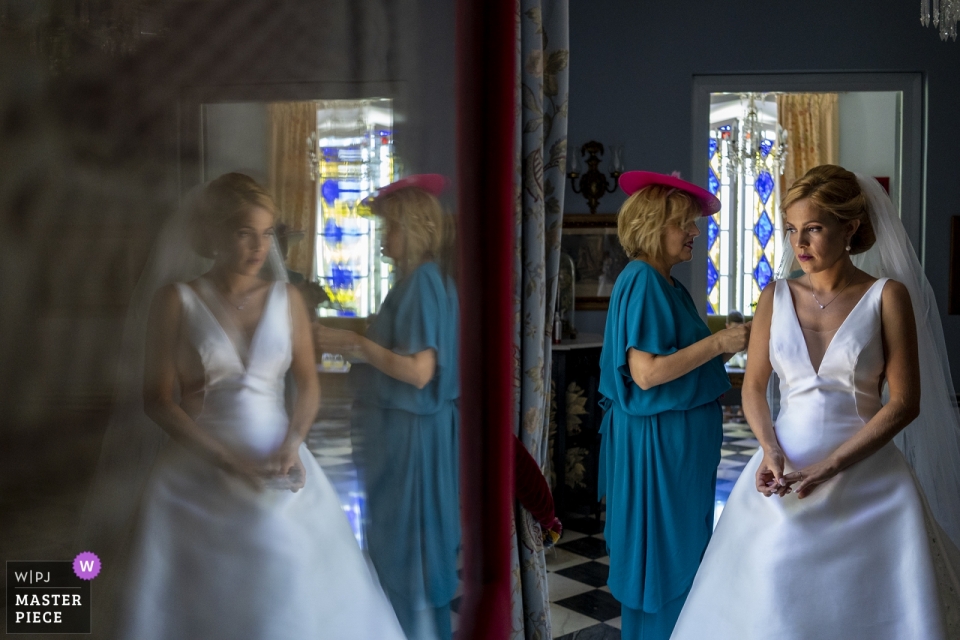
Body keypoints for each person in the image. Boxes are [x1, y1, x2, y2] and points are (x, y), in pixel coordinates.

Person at [111, 173, 405, 640]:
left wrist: (293, 443)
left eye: (267, 233)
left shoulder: (286, 298)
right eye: (244, 232)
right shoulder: (176, 299)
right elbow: (157, 400)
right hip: (201, 468)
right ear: (215, 234)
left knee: (285, 565)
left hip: (279, 459)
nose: (257, 246)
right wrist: (227, 461)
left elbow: (308, 386)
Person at [671, 165, 960, 639]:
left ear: (850, 227)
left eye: (813, 228)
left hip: (870, 484)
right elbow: (754, 385)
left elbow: (906, 402)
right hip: (782, 475)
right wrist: (770, 450)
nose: (798, 244)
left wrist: (829, 467)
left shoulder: (887, 296)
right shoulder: (775, 296)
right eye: (790, 230)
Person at [598, 171, 750, 640]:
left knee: (679, 558)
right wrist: (719, 342)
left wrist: (728, 343)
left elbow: (678, 361)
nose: (694, 232)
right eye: (684, 223)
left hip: (674, 447)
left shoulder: (669, 284)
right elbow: (646, 374)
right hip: (657, 447)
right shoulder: (643, 279)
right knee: (666, 563)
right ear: (651, 225)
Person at [314, 174, 460, 640]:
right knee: (409, 556)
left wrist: (353, 342)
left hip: (413, 437)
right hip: (410, 431)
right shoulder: (420, 283)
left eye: (390, 228)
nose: (383, 239)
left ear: (413, 228)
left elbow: (419, 372)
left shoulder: (422, 285)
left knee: (408, 557)